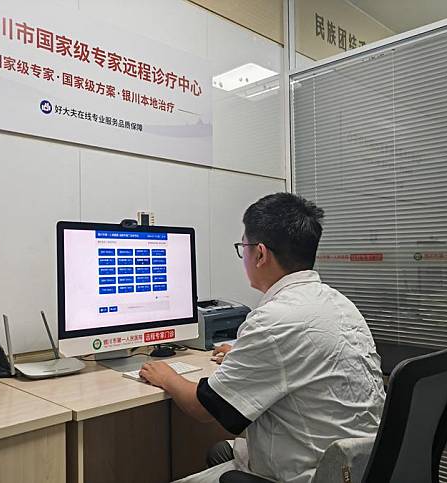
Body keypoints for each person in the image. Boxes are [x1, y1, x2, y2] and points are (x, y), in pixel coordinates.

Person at [140, 192, 386, 483]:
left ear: (260, 253)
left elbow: (205, 409)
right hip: (363, 468)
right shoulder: (338, 303)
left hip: (311, 474)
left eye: (242, 247)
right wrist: (244, 355)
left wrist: (166, 376)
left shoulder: (274, 320)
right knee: (221, 453)